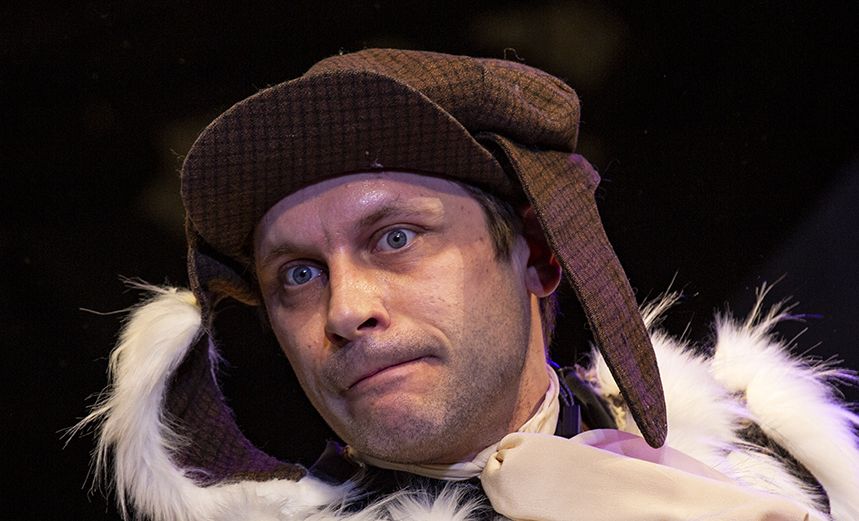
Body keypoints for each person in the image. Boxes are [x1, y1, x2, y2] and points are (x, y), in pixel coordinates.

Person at [77, 49, 859, 521]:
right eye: (299, 275)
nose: (345, 310)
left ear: (538, 256)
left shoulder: (778, 463)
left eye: (395, 237)